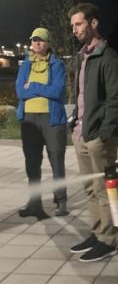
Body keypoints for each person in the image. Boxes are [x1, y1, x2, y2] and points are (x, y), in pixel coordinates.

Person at [68, 3, 118, 262]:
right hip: (81, 133)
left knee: (106, 188)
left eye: (79, 24)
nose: (75, 29)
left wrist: (104, 132)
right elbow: (78, 94)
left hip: (100, 137)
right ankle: (97, 232)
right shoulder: (82, 57)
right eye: (72, 26)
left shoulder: (109, 57)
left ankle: (109, 239)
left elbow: (115, 100)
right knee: (90, 188)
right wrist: (74, 123)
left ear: (93, 23)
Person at [16, 27, 68, 219]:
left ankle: (61, 202)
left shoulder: (57, 65)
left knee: (56, 162)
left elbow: (58, 92)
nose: (37, 43)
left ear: (48, 43)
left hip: (52, 120)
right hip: (29, 119)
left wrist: (34, 87)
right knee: (32, 163)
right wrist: (42, 89)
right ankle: (34, 203)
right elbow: (21, 92)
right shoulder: (25, 65)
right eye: (34, 40)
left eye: (41, 40)